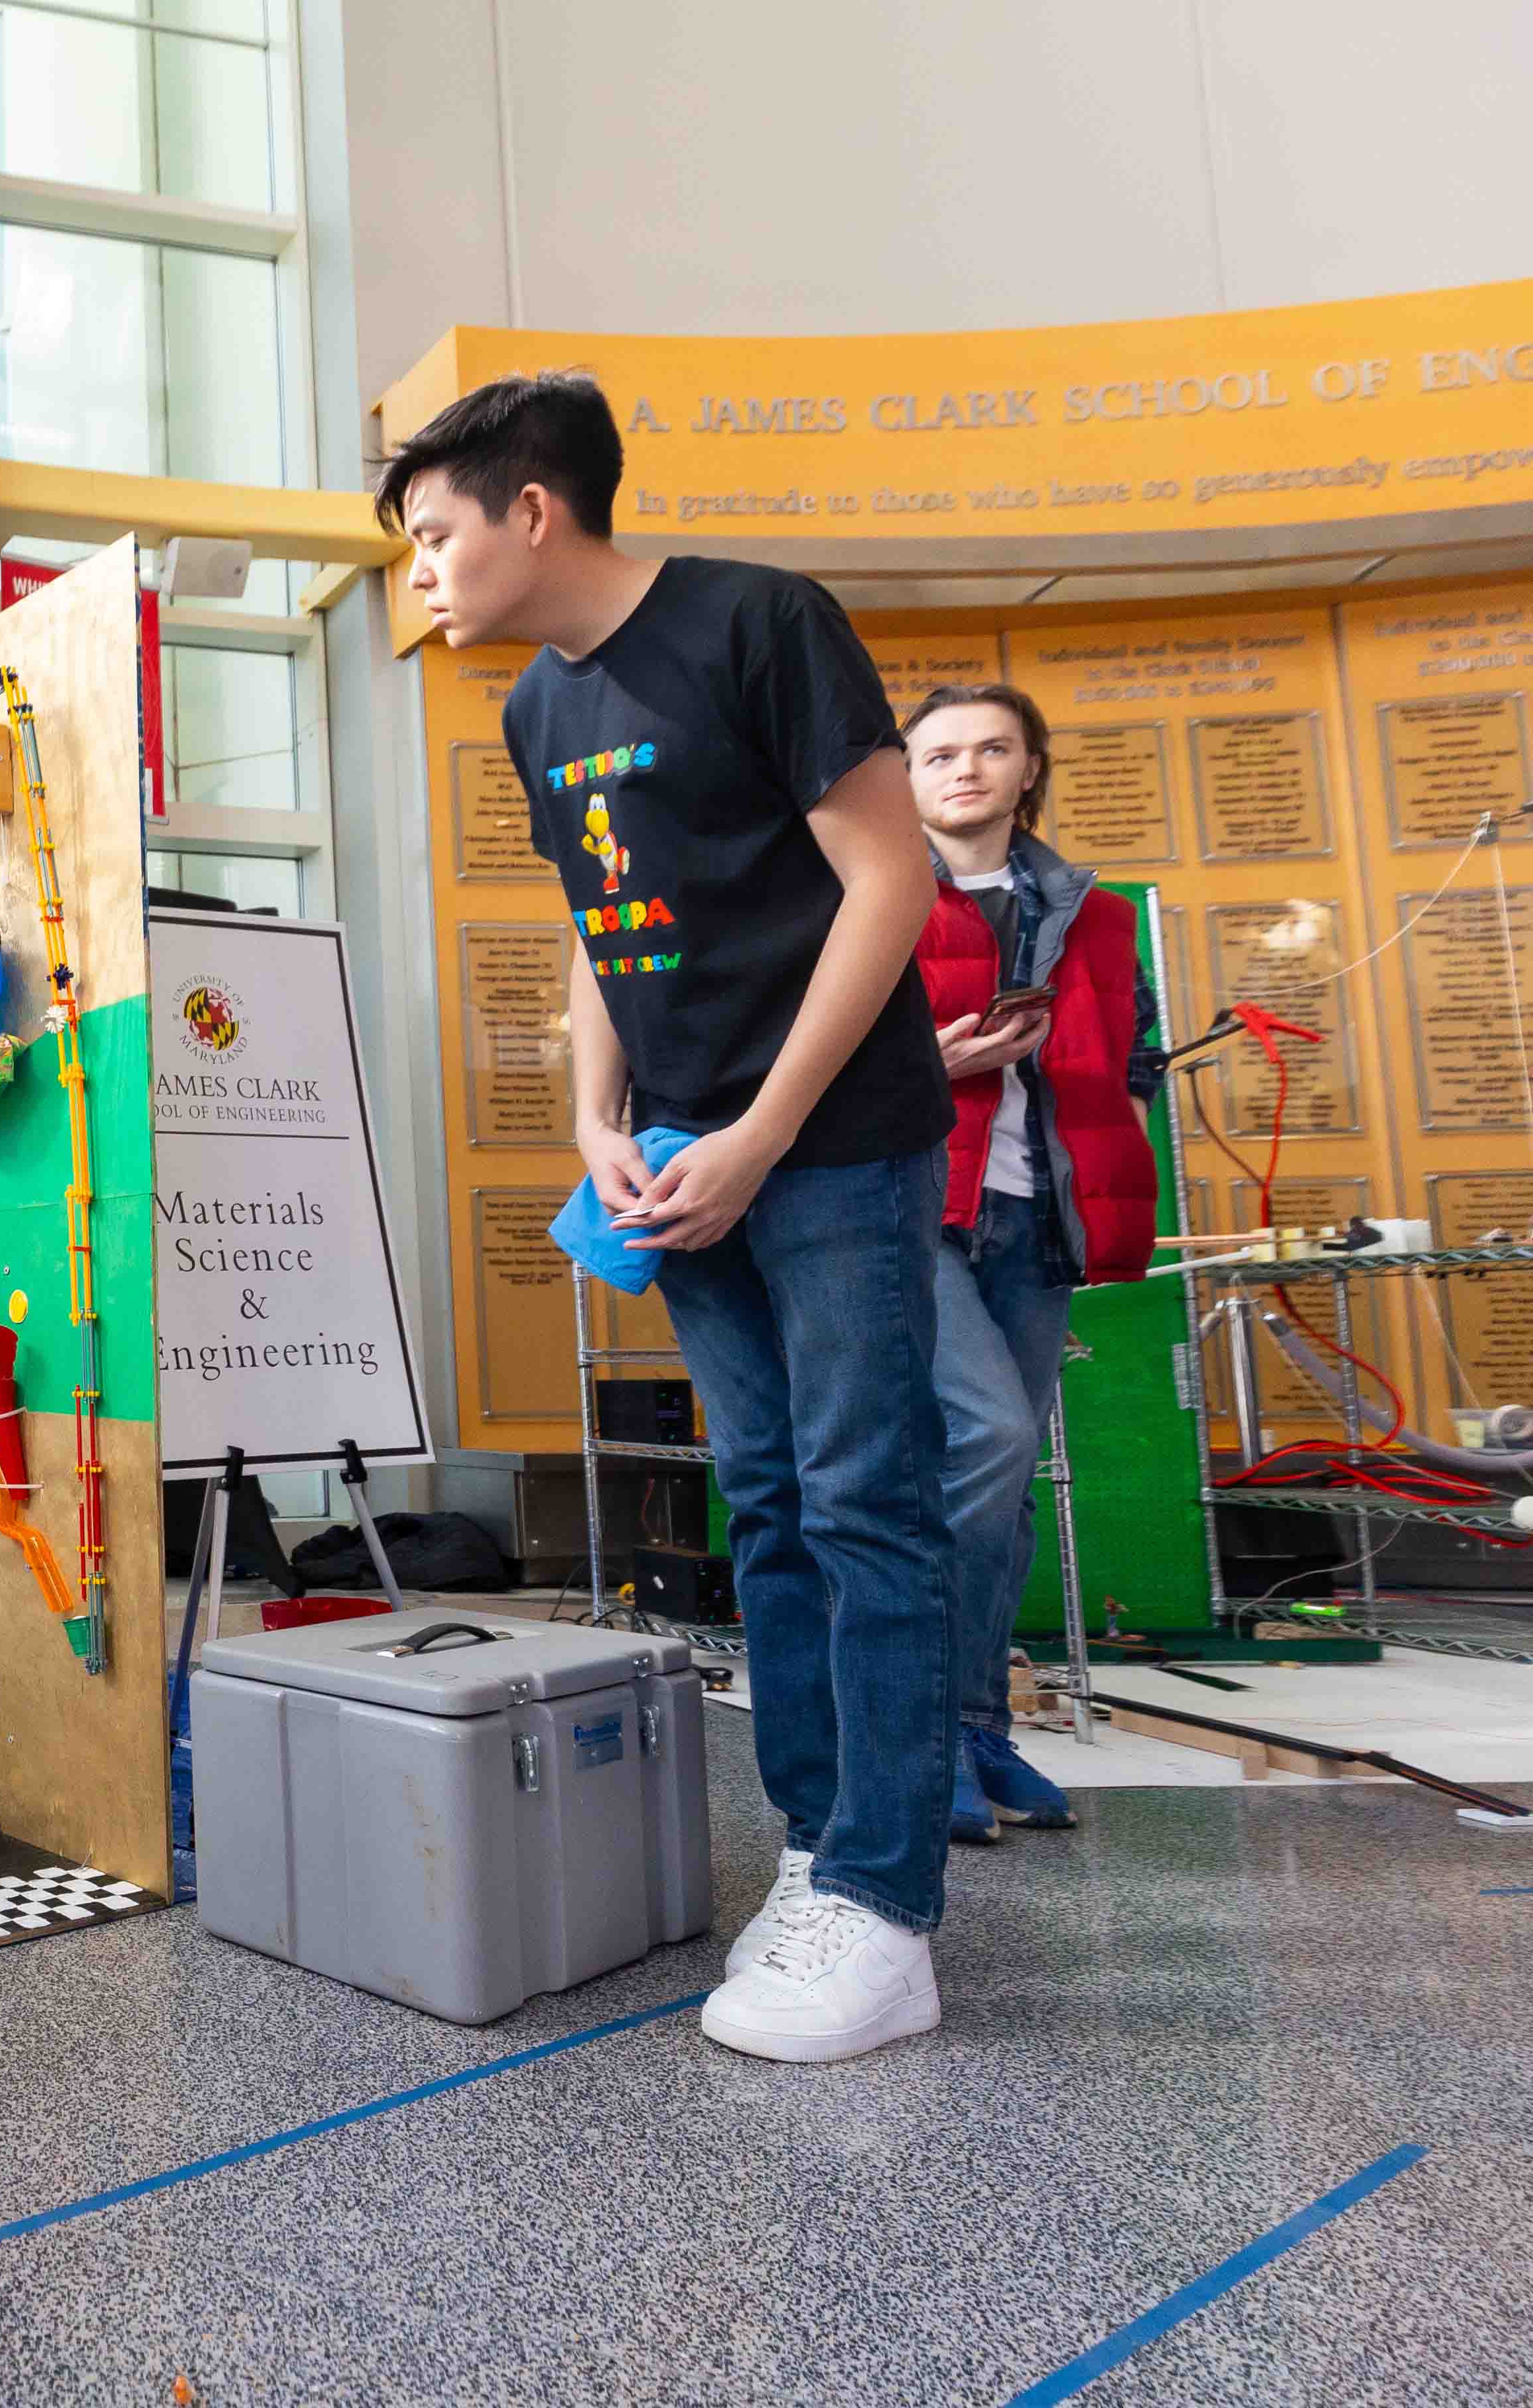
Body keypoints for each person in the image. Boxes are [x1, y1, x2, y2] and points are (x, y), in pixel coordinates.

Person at [381, 372, 959, 2065]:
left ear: (532, 511)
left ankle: (889, 1909)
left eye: (433, 537)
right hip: (682, 1164)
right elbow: (600, 920)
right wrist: (596, 1119)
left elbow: (891, 876)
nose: (423, 574)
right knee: (766, 1501)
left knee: (868, 1503)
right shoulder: (531, 712)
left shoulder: (761, 624)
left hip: (833, 1143)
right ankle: (819, 1848)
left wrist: (768, 1127)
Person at [904, 683, 1164, 1844]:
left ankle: (972, 1727)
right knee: (992, 1441)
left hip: (1038, 1222)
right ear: (903, 776)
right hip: (915, 1215)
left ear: (1029, 769)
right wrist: (936, 1062)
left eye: (992, 749)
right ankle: (920, 1733)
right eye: (940, 752)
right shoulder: (872, 893)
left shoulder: (1096, 915)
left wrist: (1101, 1095)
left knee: (1002, 1503)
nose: (965, 769)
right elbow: (808, 1058)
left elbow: (1137, 1054)